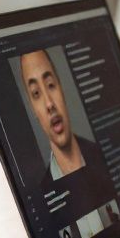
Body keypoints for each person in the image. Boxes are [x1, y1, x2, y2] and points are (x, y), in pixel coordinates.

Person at [19, 49, 99, 183]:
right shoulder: (44, 195)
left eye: (50, 85)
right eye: (36, 93)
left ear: (61, 88)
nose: (49, 104)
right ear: (33, 109)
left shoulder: (104, 156)